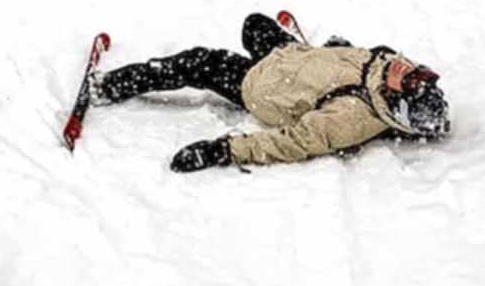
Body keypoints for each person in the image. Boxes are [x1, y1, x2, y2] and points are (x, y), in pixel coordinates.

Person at [96, 12, 450, 172]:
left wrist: (223, 151)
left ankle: (111, 85)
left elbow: (292, 142)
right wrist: (334, 52)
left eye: (412, 81)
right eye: (422, 74)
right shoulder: (386, 67)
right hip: (290, 57)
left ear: (396, 104)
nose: (410, 69)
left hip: (261, 85)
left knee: (196, 62)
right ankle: (291, 51)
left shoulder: (349, 119)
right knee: (255, 24)